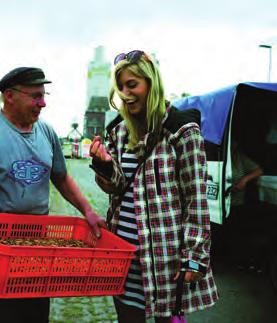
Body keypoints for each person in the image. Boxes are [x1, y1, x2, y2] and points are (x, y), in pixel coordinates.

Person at [0, 66, 107, 323]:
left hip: (37, 246)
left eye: (44, 96)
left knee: (35, 312)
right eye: (35, 96)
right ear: (10, 95)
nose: (42, 103)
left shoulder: (47, 132)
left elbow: (61, 177)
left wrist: (88, 211)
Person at [89, 50, 218, 322]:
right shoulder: (119, 130)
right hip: (123, 259)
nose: (125, 93)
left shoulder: (182, 131)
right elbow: (117, 187)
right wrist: (103, 164)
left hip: (163, 261)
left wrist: (194, 257)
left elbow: (196, 200)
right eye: (121, 86)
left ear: (151, 83)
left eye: (132, 84)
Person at [227, 141, 264, 271]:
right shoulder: (216, 155)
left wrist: (244, 180)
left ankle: (241, 262)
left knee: (239, 233)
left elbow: (259, 170)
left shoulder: (239, 158)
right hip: (219, 204)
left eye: (233, 144)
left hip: (236, 203)